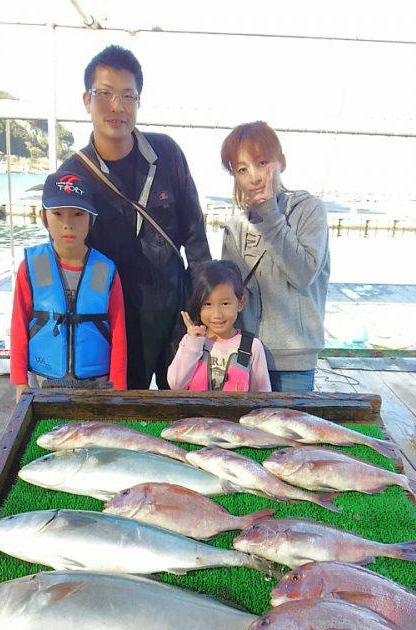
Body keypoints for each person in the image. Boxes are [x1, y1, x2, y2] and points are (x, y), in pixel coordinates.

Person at [59, 44, 211, 389]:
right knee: (126, 416)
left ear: (139, 101)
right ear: (87, 100)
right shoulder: (73, 176)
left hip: (177, 315)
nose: (117, 106)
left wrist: (203, 305)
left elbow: (196, 239)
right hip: (114, 320)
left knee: (186, 410)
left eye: (129, 96)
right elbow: (63, 259)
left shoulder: (167, 153)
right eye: (105, 94)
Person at [221, 121, 330, 393]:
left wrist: (270, 213)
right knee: (246, 434)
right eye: (242, 169)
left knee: (292, 435)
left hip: (295, 361)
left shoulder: (309, 210)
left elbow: (303, 273)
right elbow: (229, 295)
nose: (255, 177)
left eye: (262, 163)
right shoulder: (235, 227)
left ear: (281, 162)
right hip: (245, 355)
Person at [10, 169, 127, 401]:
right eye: (57, 214)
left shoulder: (105, 270)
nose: (67, 224)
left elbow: (118, 329)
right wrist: (19, 381)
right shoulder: (33, 266)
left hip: (98, 383)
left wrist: (119, 385)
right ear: (44, 217)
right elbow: (18, 325)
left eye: (78, 215)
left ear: (91, 219)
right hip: (43, 380)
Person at [167, 260, 271, 391]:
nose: (217, 315)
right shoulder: (190, 342)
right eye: (208, 304)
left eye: (225, 304)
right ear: (198, 305)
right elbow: (176, 385)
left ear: (240, 303)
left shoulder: (252, 346)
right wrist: (193, 343)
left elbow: (262, 397)